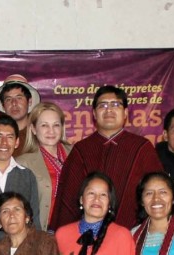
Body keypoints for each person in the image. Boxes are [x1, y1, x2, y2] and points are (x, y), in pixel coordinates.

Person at [48, 85, 164, 230]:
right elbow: (68, 201)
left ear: (125, 112)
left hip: (134, 234)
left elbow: (159, 192)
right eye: (103, 105)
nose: (109, 109)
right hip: (87, 236)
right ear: (95, 114)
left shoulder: (141, 148)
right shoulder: (81, 150)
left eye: (115, 104)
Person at [15, 102, 72, 225]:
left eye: (56, 125)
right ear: (34, 129)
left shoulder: (77, 153)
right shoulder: (24, 162)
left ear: (62, 128)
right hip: (44, 231)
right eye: (44, 125)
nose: (51, 131)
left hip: (75, 229)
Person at [0, 74, 40, 156]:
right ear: (3, 106)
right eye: (8, 99)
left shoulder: (40, 135)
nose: (14, 103)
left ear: (29, 101)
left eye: (19, 98)